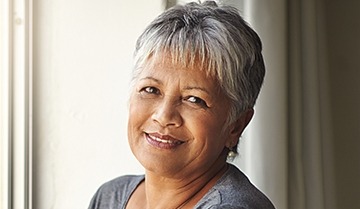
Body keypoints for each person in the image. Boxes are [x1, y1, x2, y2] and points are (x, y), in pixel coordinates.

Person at [88, 1, 275, 208]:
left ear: (236, 125)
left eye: (194, 99)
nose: (164, 115)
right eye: (151, 89)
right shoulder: (109, 197)